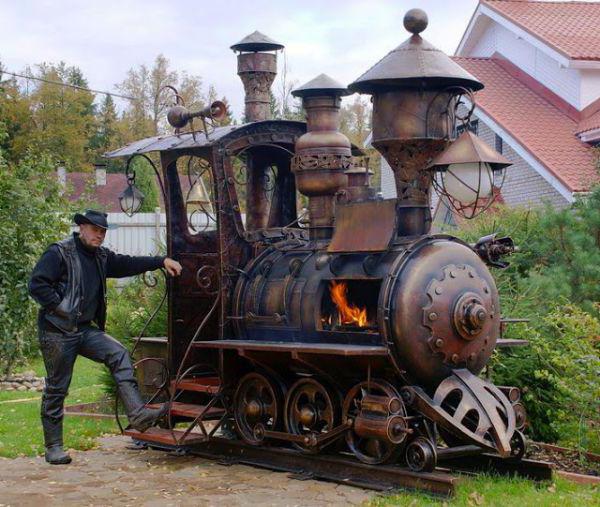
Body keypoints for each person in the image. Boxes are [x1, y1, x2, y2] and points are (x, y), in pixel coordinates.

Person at [28, 209, 183, 465]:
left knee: (118, 353)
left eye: (103, 231)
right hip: (57, 330)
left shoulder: (101, 257)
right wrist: (61, 307)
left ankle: (138, 414)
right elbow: (37, 285)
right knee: (57, 387)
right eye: (95, 230)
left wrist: (160, 260)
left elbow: (127, 263)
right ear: (82, 228)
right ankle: (54, 446)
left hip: (85, 329)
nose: (99, 235)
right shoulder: (59, 252)